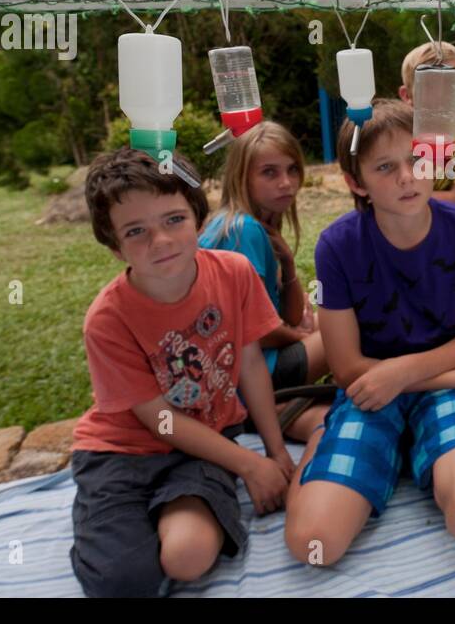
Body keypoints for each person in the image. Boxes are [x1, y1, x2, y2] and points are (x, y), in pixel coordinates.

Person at [284, 99, 455, 567]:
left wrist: (407, 373)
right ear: (356, 182)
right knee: (314, 545)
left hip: (428, 378)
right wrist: (451, 379)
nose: (407, 176)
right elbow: (348, 367)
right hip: (375, 389)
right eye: (385, 167)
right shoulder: (336, 245)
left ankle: (412, 447)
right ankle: (326, 439)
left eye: (417, 158)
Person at [68, 147, 292, 597]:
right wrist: (249, 464)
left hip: (203, 449)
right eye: (136, 231)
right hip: (120, 454)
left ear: (198, 218)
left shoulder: (234, 272)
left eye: (174, 220)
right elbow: (160, 419)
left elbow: (250, 364)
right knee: (124, 583)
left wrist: (275, 451)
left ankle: (164, 514)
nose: (162, 241)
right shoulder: (108, 319)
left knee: (187, 557)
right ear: (114, 246)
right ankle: (109, 520)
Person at [199, 120, 330, 440]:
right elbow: (249, 327)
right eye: (269, 172)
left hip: (249, 370)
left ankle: (282, 409)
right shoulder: (242, 230)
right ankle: (269, 410)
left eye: (292, 170)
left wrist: (287, 262)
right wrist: (298, 336)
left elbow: (286, 314)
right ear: (243, 177)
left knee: (330, 318)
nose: (286, 182)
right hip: (248, 375)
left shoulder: (253, 225)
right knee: (346, 324)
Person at [398, 40, 455, 220]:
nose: (438, 96)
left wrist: (400, 198)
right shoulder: (397, 133)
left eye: (447, 86)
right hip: (412, 226)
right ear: (407, 95)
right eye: (428, 86)